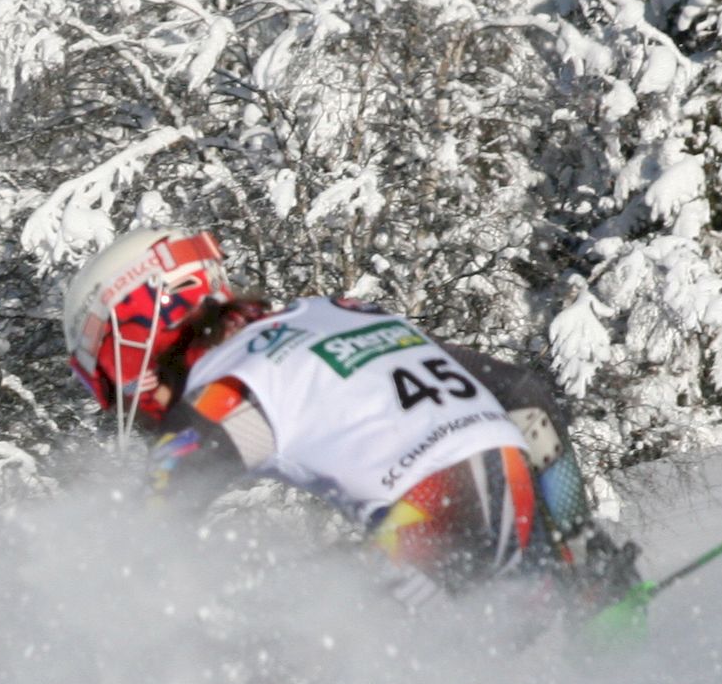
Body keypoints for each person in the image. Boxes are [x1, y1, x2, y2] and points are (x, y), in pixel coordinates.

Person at [60, 226, 635, 607]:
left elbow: (155, 521)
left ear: (131, 338)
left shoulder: (233, 388)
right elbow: (523, 396)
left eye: (105, 380)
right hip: (527, 554)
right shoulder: (342, 314)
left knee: (257, 642)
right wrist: (582, 543)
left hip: (439, 566)